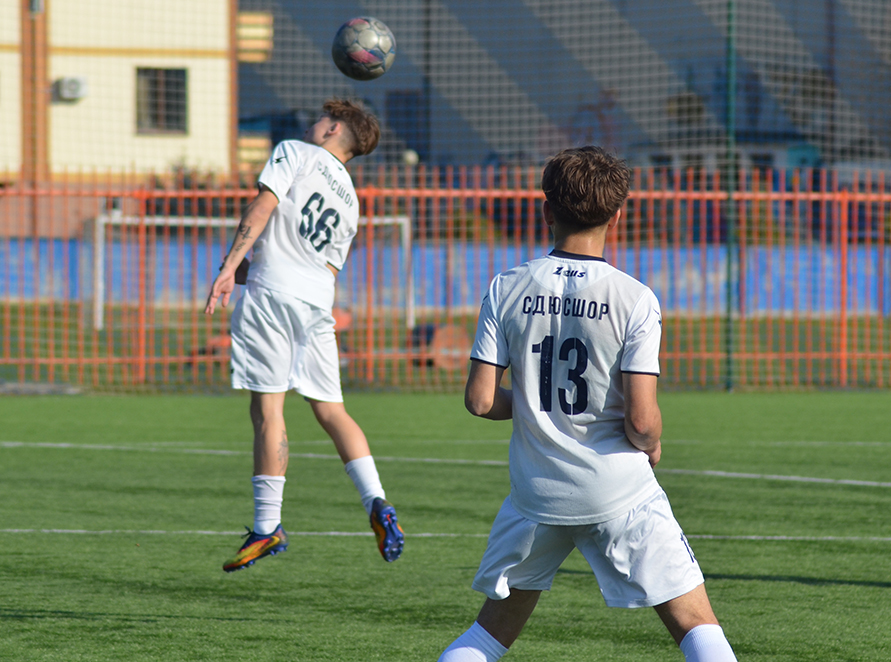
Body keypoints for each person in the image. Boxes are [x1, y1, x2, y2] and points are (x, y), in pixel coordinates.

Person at [438, 147, 737, 661]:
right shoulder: (634, 298)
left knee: (487, 635)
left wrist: (532, 404)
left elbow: (481, 400)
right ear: (617, 215)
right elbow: (641, 420)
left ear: (546, 210)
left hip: (537, 496)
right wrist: (652, 443)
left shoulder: (506, 286)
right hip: (618, 490)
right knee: (695, 624)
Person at [205, 98, 404, 572]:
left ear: (333, 128)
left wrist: (229, 267)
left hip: (272, 298)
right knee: (332, 410)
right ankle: (377, 500)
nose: (313, 125)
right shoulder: (351, 200)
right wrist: (250, 268)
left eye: (320, 119)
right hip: (316, 305)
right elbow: (324, 266)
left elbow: (262, 206)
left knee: (268, 410)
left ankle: (267, 526)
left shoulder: (294, 152)